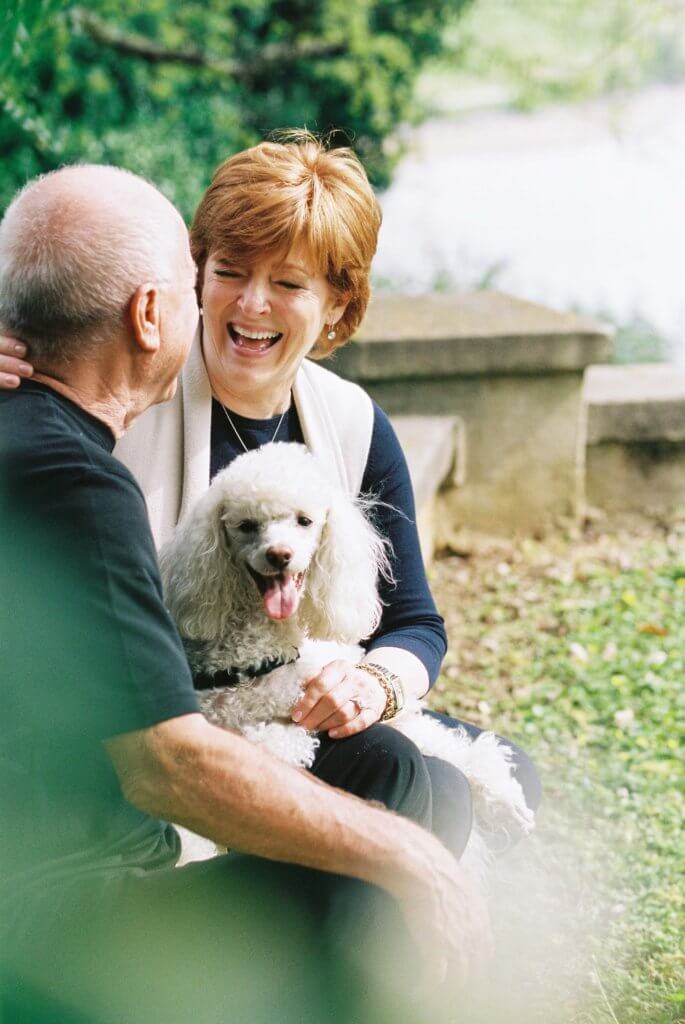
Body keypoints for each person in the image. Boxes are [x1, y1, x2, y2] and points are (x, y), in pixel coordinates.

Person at [0, 165, 489, 1024]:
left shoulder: (348, 422)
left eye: (288, 283)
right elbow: (166, 763)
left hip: (228, 732)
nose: (245, 304)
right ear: (159, 307)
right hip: (88, 859)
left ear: (337, 306)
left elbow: (412, 620)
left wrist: (374, 682)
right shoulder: (83, 447)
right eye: (219, 274)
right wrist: (405, 857)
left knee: (418, 775)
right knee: (412, 827)